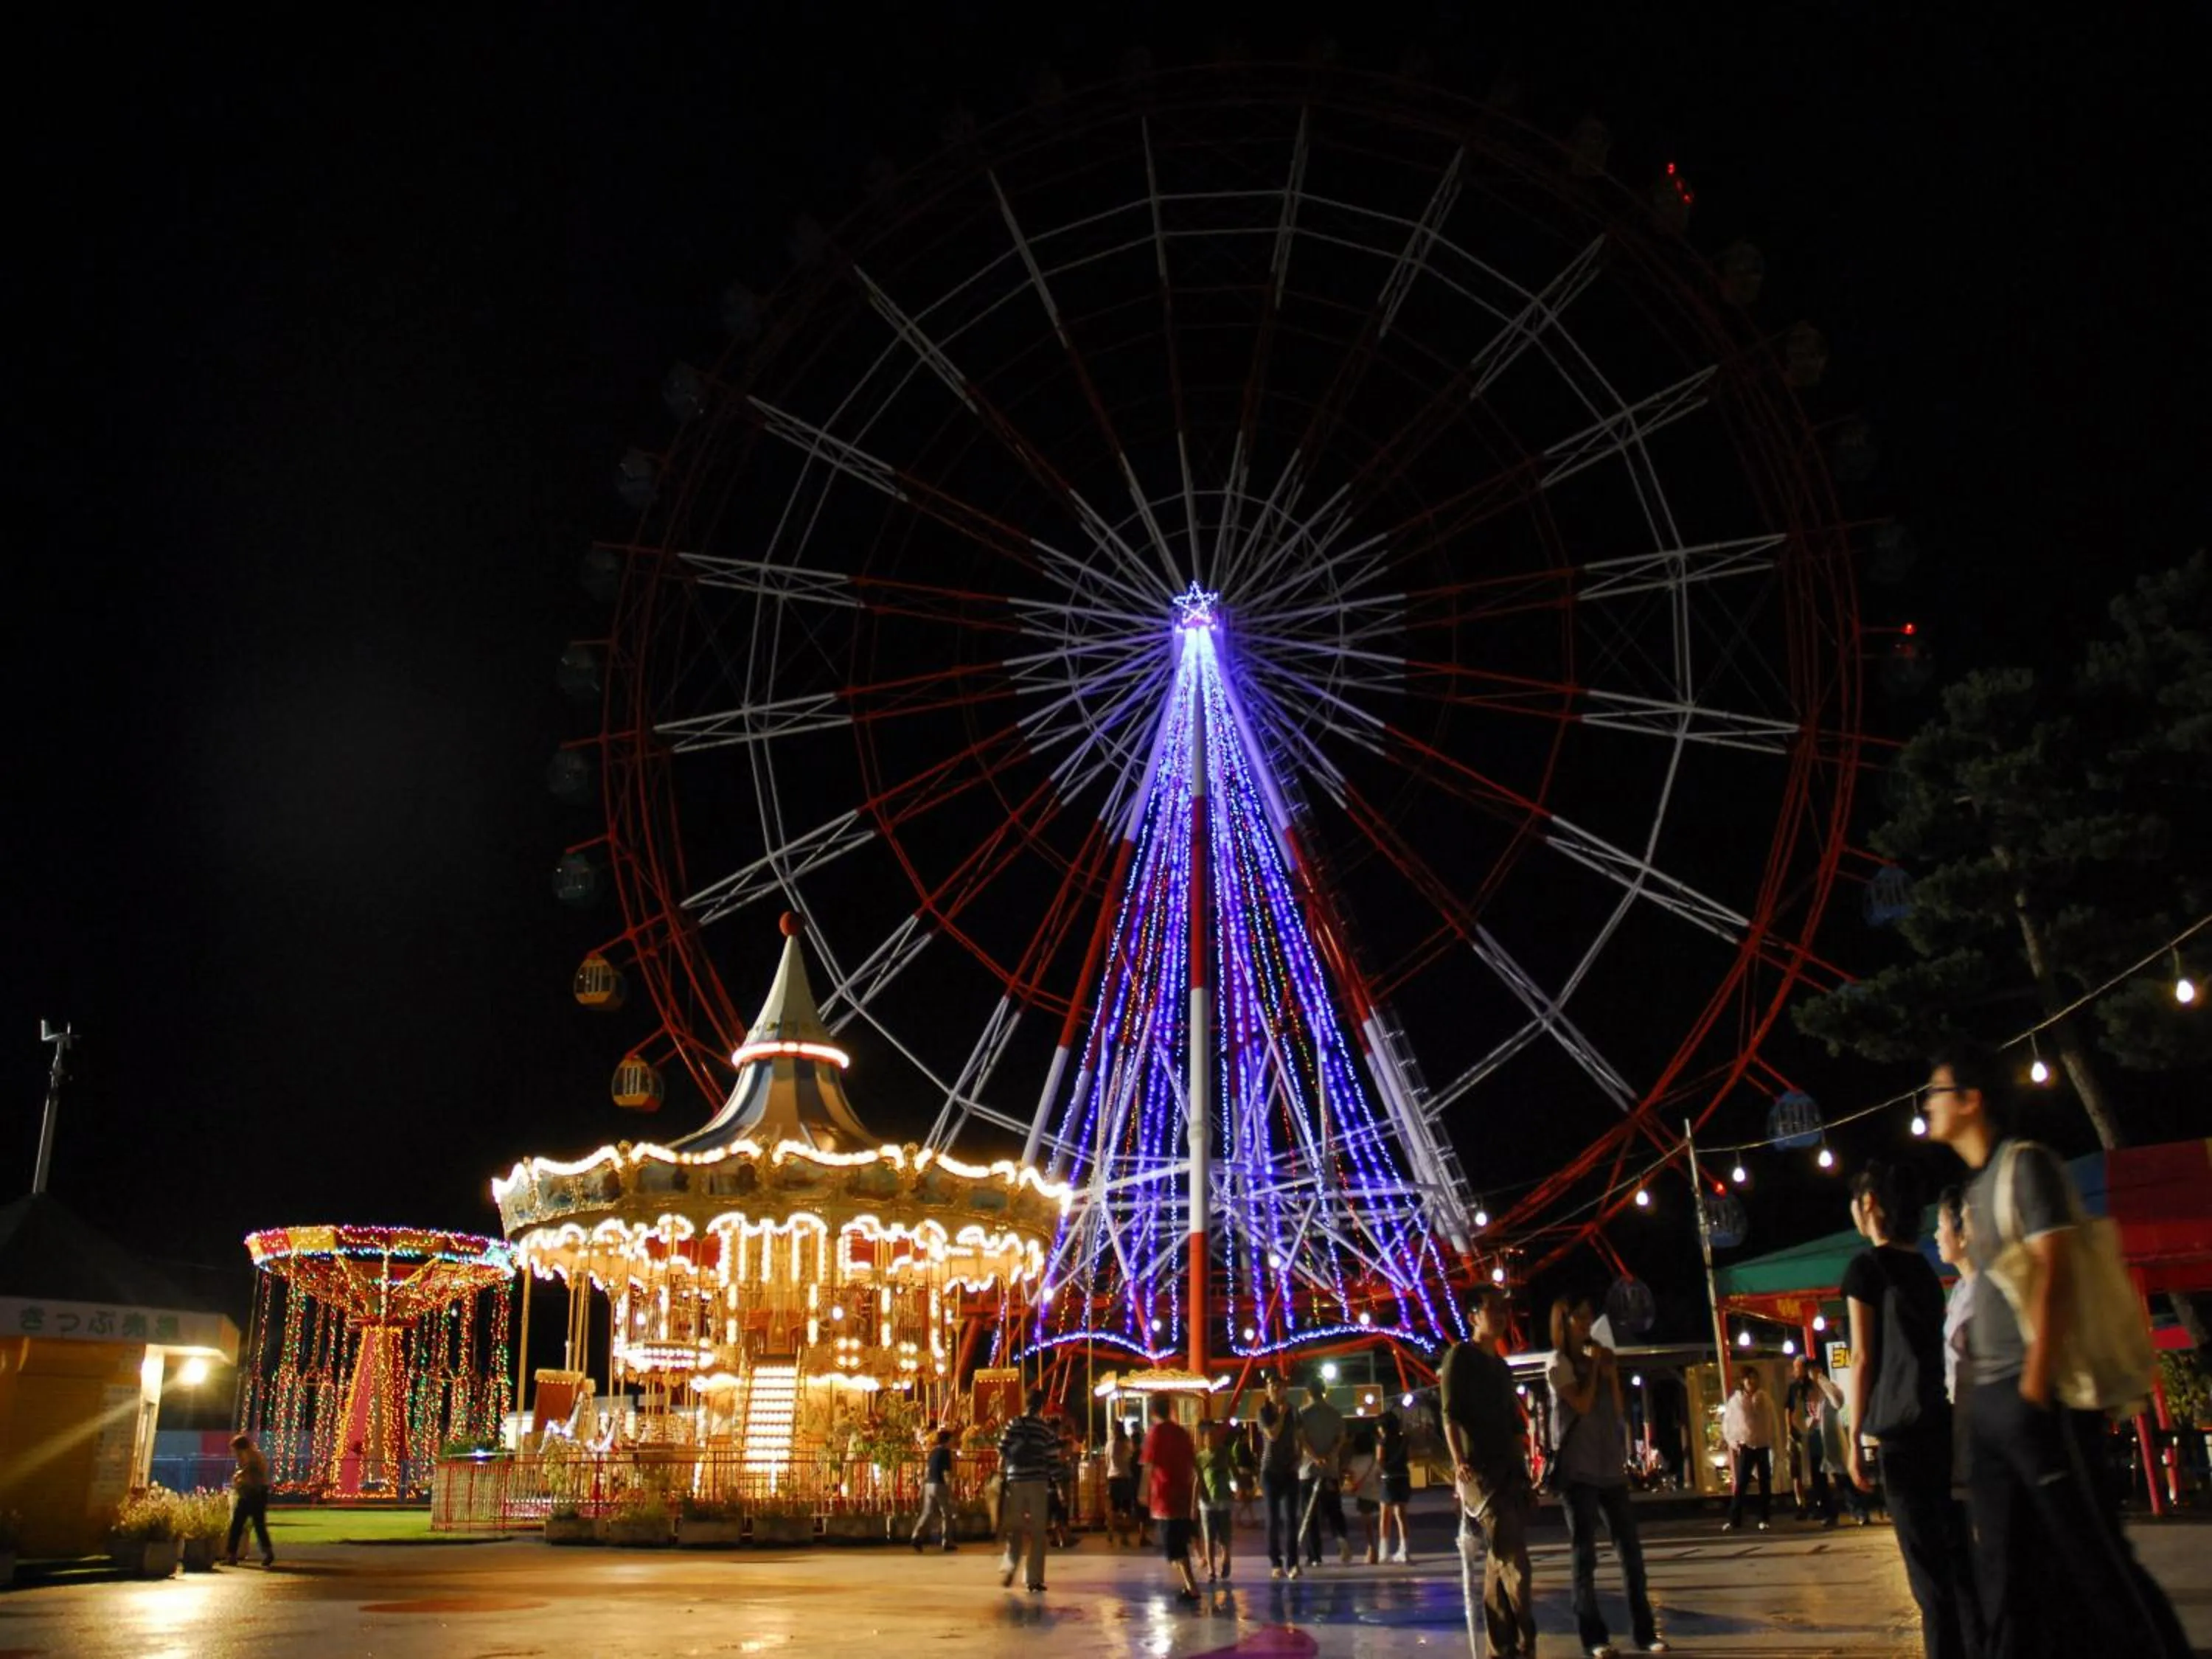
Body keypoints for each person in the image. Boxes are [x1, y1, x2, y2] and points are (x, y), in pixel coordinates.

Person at [1923, 1043, 2189, 1659]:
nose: (1927, 1105)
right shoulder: (1975, 1186)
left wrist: (2034, 1389)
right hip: (1993, 1398)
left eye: (1935, 1092)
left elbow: (2057, 1275)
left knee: (2093, 1555)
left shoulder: (2027, 1167)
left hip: (2037, 1395)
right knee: (2005, 1570)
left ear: (1970, 1100)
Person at [1844, 1158, 1975, 1659]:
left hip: (1898, 1433)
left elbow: (1861, 1359)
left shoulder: (1865, 1269)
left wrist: (1853, 1438)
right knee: (1954, 1561)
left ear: (1870, 1204)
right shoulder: (1923, 1268)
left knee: (1927, 1578)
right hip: (1938, 1426)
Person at [1548, 1294, 1666, 1658]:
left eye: (1588, 1317)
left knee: (1631, 1553)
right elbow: (1580, 1404)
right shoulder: (1559, 1362)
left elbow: (1615, 1408)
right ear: (1563, 1322)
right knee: (1585, 1556)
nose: (1585, 1324)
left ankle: (1644, 1632)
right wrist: (1597, 1370)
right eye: (1578, 1318)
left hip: (1609, 1467)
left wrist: (1611, 1373)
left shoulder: (1594, 1358)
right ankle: (1594, 1637)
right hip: (1579, 1471)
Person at [1442, 1286, 1537, 1658]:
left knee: (1502, 1557)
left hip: (1508, 1470)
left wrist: (1526, 1474)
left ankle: (1502, 1645)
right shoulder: (1459, 1357)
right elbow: (1450, 1413)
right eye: (1491, 1308)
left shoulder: (1500, 1366)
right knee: (1514, 1558)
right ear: (1472, 1317)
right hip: (1478, 1472)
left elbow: (1515, 1425)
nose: (1500, 1315)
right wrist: (1458, 1461)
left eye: (1504, 1309)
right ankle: (1525, 1635)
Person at [1933, 1184, 1986, 1658]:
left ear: (1964, 1232)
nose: (1935, 1234)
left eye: (1942, 1226)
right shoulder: (1960, 1291)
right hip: (1964, 1428)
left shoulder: (1989, 1289)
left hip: (1986, 1433)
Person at [995, 1387, 1058, 1592]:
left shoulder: (1014, 1423)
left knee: (1016, 1528)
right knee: (1038, 1532)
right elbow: (1051, 1458)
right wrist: (1058, 1481)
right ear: (1042, 1405)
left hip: (1016, 1482)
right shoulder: (1044, 1428)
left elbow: (1002, 1448)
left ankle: (1010, 1567)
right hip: (1038, 1482)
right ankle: (1034, 1579)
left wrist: (1009, 1463)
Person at [1142, 1394, 1202, 1604]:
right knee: (1177, 1544)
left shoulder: (1155, 1433)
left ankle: (1192, 1587)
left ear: (1152, 1412)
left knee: (1173, 1548)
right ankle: (1190, 1583)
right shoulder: (1181, 1433)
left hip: (1164, 1497)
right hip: (1182, 1495)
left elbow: (1149, 1465)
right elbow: (1194, 1462)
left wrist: (1143, 1492)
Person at [1296, 1378, 1349, 1566]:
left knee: (1310, 1514)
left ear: (1308, 1393)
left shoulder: (1302, 1414)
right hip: (1330, 1470)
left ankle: (1315, 1556)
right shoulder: (1335, 1414)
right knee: (1334, 1509)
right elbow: (1341, 1439)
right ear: (1324, 1392)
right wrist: (1329, 1455)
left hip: (1308, 1470)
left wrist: (1315, 1457)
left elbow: (1301, 1440)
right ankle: (1341, 1537)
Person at [1721, 1368, 1778, 1531]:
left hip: (1762, 1444)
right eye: (1749, 1379)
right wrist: (1734, 1442)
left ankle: (1764, 1517)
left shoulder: (1765, 1398)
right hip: (1746, 1445)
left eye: (1755, 1379)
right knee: (1742, 1484)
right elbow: (1728, 1424)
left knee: (1765, 1483)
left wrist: (1774, 1441)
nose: (1752, 1382)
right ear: (1743, 1381)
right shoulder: (1736, 1401)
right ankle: (1734, 1519)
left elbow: (1772, 1420)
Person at [1258, 1378, 1303, 1579]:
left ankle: (1293, 1563)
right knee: (1273, 1520)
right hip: (1270, 1471)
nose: (1276, 1389)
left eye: (1280, 1386)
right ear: (1267, 1391)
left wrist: (1299, 1458)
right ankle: (1276, 1563)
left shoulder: (1295, 1411)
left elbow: (1300, 1437)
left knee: (1292, 1519)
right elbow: (1273, 1435)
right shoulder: (1263, 1412)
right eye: (1272, 1387)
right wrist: (1282, 1414)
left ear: (1286, 1390)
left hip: (1289, 1470)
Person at [223, 1432, 274, 1567]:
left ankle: (232, 1555)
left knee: (239, 1524)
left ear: (240, 1447)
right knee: (257, 1524)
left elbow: (252, 1468)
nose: (235, 1454)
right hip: (255, 1492)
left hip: (252, 1493)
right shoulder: (255, 1455)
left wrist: (239, 1475)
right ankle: (267, 1552)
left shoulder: (251, 1456)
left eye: (235, 1450)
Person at [1195, 1419, 1237, 1582]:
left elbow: (1234, 1472)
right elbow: (1197, 1479)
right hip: (1206, 1502)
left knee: (1224, 1535)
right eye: (1208, 1436)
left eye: (1214, 1436)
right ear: (1204, 1439)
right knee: (1209, 1536)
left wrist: (1237, 1488)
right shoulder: (1200, 1458)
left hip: (1224, 1499)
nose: (1211, 1439)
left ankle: (1226, 1559)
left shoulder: (1225, 1454)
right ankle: (1212, 1569)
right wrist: (1196, 1500)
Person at [1342, 1421, 1383, 1562]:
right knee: (1381, 1522)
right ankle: (1381, 1547)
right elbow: (1379, 1476)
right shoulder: (1374, 1459)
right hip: (1377, 1494)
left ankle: (1372, 1550)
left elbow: (1351, 1479)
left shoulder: (1354, 1460)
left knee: (1368, 1525)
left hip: (1363, 1495)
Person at [1377, 1408, 1413, 1564]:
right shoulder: (1404, 1440)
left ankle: (1384, 1551)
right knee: (1402, 1515)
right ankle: (1404, 1550)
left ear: (1383, 1427)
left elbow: (1380, 1460)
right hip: (1403, 1477)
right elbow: (1410, 1457)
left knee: (1385, 1516)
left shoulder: (1383, 1441)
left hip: (1388, 1479)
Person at [912, 1427, 958, 1551]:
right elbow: (946, 1473)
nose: (953, 1442)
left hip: (929, 1484)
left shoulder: (932, 1452)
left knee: (927, 1512)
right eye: (952, 1439)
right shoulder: (946, 1452)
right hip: (939, 1484)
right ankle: (947, 1541)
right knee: (947, 1513)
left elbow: (927, 1470)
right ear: (947, 1440)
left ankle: (916, 1535)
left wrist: (922, 1486)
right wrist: (950, 1490)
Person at [1107, 1420, 1140, 1548]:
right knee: (1126, 1508)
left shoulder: (1110, 1444)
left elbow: (1108, 1462)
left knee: (1114, 1508)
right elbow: (1130, 1458)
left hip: (1113, 1477)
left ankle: (1111, 1530)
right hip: (1126, 1477)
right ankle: (1124, 1536)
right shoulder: (1127, 1443)